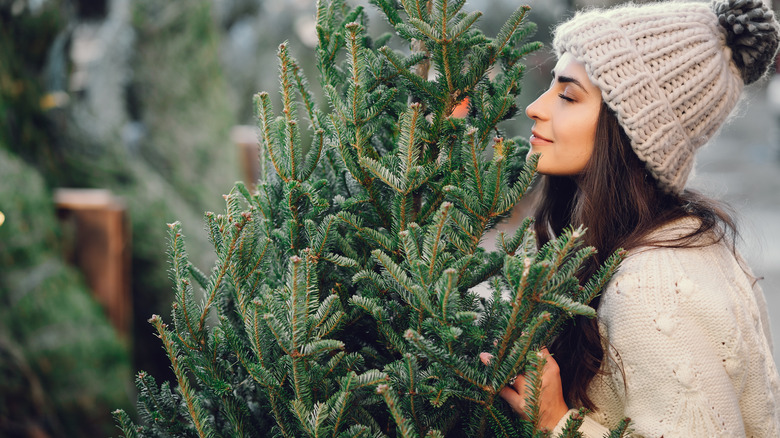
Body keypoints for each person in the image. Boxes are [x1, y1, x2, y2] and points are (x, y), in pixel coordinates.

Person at [482, 0, 780, 436]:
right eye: (552, 87)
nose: (537, 107)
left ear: (627, 129)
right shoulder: (669, 240)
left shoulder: (653, 283)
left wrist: (556, 421)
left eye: (568, 95)